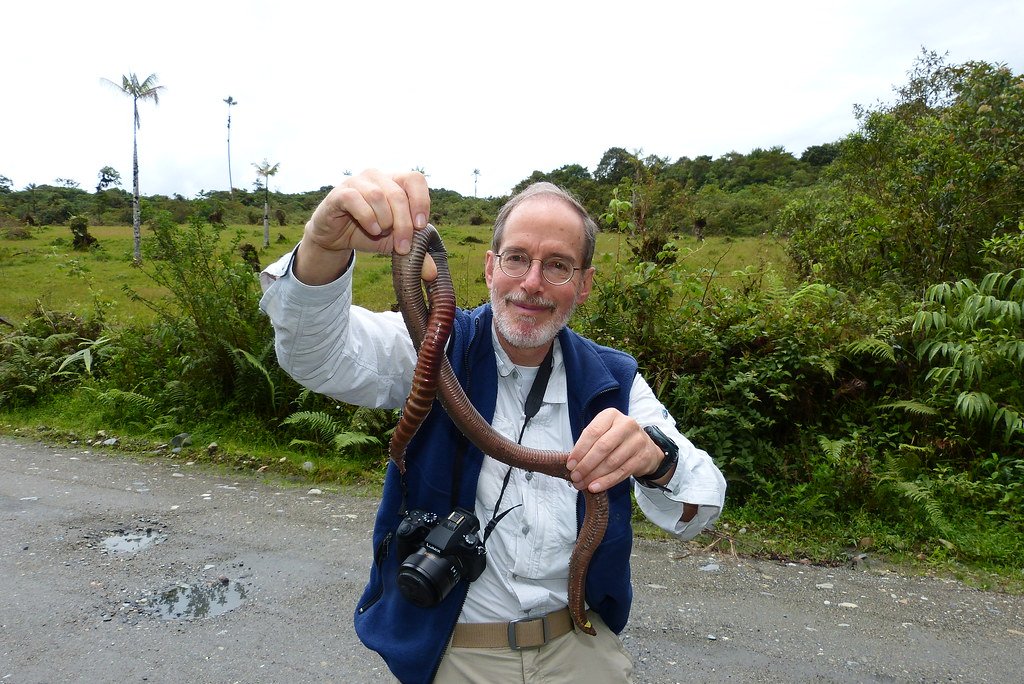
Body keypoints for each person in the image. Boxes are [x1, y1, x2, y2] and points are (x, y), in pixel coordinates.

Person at [259, 169, 726, 683]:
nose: (531, 283)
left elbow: (699, 507)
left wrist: (657, 460)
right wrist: (321, 248)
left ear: (585, 284)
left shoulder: (612, 381)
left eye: (558, 266)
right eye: (517, 258)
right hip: (456, 653)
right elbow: (317, 356)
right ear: (489, 267)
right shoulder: (437, 347)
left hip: (580, 648)